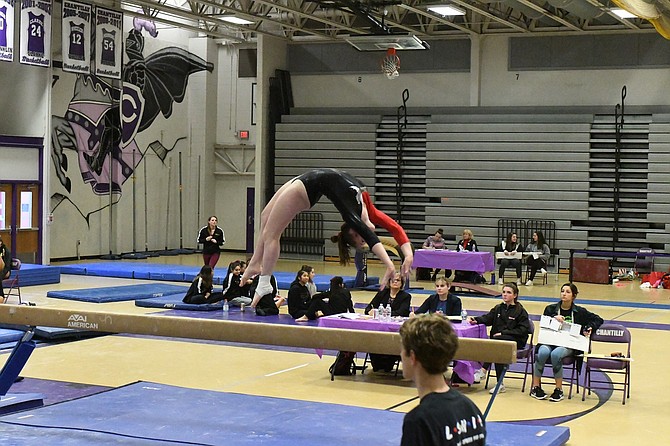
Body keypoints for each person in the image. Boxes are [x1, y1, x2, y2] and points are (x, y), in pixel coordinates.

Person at [240, 168, 413, 308]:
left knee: (271, 234)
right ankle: (255, 263)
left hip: (305, 190)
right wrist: (408, 254)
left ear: (353, 230)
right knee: (264, 216)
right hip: (306, 179)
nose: (367, 237)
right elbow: (395, 227)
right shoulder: (369, 210)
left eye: (361, 240)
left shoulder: (351, 215)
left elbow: (369, 235)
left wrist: (389, 264)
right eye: (363, 240)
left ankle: (265, 282)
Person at [399, 314, 486, 446]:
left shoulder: (419, 421)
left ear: (412, 357)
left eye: (402, 350)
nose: (400, 354)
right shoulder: (470, 408)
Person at [530, 283, 603, 402]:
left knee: (555, 354)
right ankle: (536, 387)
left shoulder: (580, 311)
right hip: (550, 341)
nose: (564, 294)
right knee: (542, 352)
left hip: (568, 343)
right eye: (562, 291)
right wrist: (554, 317)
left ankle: (558, 390)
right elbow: (545, 324)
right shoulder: (550, 309)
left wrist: (589, 327)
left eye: (568, 292)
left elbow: (598, 319)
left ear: (573, 296)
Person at [468, 282, 531, 393]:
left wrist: (504, 333)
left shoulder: (520, 311)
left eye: (508, 292)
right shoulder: (498, 308)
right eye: (503, 292)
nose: (505, 295)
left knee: (497, 344)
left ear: (515, 295)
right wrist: (476, 320)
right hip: (498, 342)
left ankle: (483, 370)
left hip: (516, 341)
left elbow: (523, 330)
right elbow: (488, 318)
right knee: (497, 347)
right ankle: (499, 384)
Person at [363, 273, 412, 372]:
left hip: (395, 329)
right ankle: (377, 362)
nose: (395, 282)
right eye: (392, 280)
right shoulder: (382, 293)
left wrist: (380, 313)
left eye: (397, 280)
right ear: (389, 282)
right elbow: (368, 308)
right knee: (373, 339)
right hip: (379, 328)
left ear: (402, 283)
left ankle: (389, 362)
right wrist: (370, 311)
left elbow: (402, 312)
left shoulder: (406, 296)